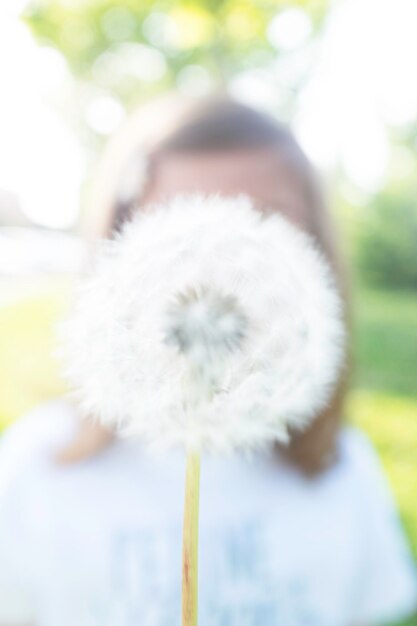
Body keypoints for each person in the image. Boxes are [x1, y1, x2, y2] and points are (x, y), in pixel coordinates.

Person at [0, 95, 416, 626]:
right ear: (120, 250)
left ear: (314, 259)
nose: (223, 265)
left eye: (263, 221)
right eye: (184, 220)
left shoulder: (345, 473)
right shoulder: (33, 474)